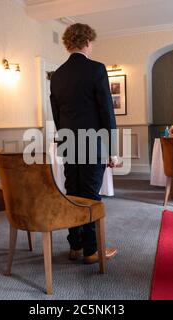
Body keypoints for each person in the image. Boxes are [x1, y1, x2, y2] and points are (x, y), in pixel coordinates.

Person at [49, 23, 118, 264]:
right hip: (93, 143)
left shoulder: (56, 75)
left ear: (68, 43)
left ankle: (75, 246)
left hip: (68, 142)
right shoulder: (96, 69)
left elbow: (57, 115)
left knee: (73, 194)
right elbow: (106, 112)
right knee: (90, 196)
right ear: (88, 42)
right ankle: (91, 251)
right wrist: (113, 149)